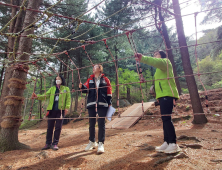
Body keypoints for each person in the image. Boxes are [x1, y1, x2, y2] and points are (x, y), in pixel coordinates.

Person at [136, 51, 180, 154]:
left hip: (168, 94)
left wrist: (142, 58)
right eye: (154, 54)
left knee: (166, 118)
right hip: (162, 96)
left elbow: (154, 62)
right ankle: (167, 141)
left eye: (156, 54)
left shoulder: (165, 62)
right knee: (164, 118)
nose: (154, 55)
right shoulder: (159, 70)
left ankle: (173, 143)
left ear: (162, 55)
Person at [32, 75, 71, 151]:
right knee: (49, 127)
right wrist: (37, 96)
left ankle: (55, 144)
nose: (57, 80)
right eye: (56, 79)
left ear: (62, 80)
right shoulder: (52, 88)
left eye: (59, 79)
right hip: (51, 110)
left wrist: (67, 107)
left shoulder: (66, 89)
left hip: (60, 111)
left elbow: (68, 99)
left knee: (58, 127)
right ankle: (48, 143)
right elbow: (45, 96)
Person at [79, 64, 112, 154]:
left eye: (95, 67)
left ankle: (101, 143)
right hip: (92, 104)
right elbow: (86, 90)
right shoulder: (90, 80)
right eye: (93, 67)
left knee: (101, 124)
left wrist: (109, 103)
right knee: (91, 124)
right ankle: (92, 142)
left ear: (100, 69)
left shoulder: (105, 80)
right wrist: (82, 87)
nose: (93, 68)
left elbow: (109, 92)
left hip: (102, 103)